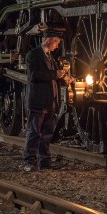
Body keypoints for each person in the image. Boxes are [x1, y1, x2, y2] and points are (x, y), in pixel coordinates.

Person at [22, 31, 67, 171]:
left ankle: (45, 162)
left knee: (47, 133)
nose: (57, 46)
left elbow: (52, 77)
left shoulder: (50, 57)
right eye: (56, 42)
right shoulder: (33, 55)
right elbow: (34, 75)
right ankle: (29, 161)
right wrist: (56, 74)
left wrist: (63, 78)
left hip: (50, 101)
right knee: (34, 131)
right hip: (38, 100)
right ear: (47, 40)